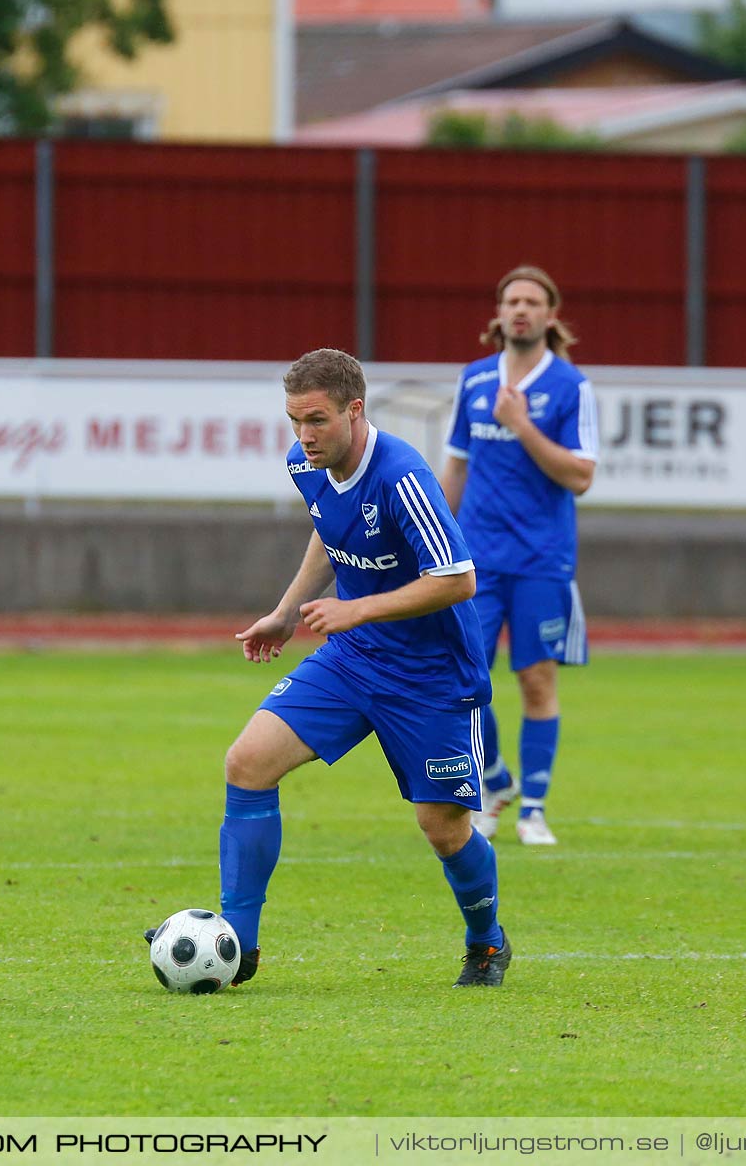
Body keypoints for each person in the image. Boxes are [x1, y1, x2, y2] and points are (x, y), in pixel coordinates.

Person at [152, 347, 510, 988]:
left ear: (354, 410)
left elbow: (457, 580)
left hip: (429, 676)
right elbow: (328, 530)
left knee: (443, 828)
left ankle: (486, 942)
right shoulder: (306, 466)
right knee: (247, 762)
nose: (303, 436)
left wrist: (359, 608)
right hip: (354, 659)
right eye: (294, 421)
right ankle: (240, 944)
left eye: (316, 420)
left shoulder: (403, 477)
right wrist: (286, 613)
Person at [439, 265, 598, 847]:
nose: (521, 310)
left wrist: (523, 427)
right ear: (499, 313)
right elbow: (456, 464)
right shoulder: (475, 379)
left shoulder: (571, 386)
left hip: (540, 559)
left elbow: (580, 476)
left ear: (551, 316)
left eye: (532, 301)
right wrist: (434, 536)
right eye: (512, 301)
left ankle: (533, 807)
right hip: (477, 559)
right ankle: (493, 779)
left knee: (535, 679)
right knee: (462, 678)